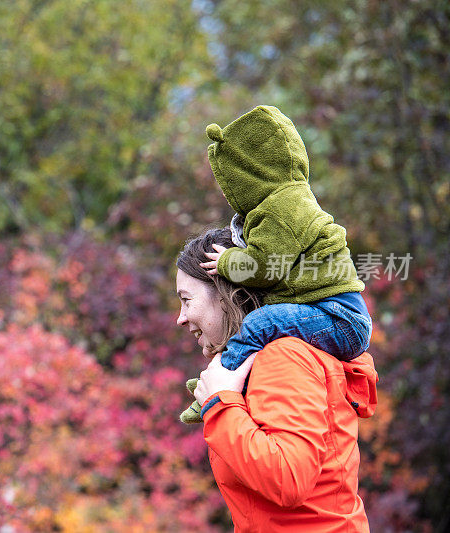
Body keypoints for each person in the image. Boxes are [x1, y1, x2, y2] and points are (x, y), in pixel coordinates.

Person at [176, 227, 378, 532]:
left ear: (227, 294)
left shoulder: (283, 358)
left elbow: (288, 479)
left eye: (186, 300)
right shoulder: (263, 362)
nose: (180, 317)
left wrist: (220, 406)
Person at [182, 105, 373, 423]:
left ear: (246, 170)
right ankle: (226, 379)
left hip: (339, 317)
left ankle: (218, 386)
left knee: (261, 324)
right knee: (265, 328)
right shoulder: (289, 200)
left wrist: (228, 262)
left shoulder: (281, 206)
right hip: (335, 314)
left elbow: (266, 267)